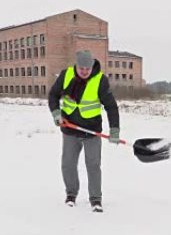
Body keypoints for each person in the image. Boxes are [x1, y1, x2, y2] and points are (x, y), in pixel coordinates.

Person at [48, 50, 120, 213]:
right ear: (77, 66)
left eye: (87, 69)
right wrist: (56, 114)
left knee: (93, 165)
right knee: (68, 164)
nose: (85, 72)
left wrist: (114, 130)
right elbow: (53, 95)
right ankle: (71, 195)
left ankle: (96, 199)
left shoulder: (100, 80)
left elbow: (111, 106)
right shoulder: (66, 75)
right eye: (81, 68)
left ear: (92, 66)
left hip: (92, 131)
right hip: (70, 129)